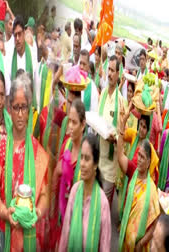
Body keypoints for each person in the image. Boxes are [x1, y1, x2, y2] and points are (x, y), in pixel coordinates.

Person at [0, 74, 49, 251]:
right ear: (10, 109)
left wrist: (37, 213)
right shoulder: (2, 148)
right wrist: (4, 213)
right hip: (5, 231)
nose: (20, 114)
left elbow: (45, 195)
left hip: (29, 235)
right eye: (16, 108)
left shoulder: (38, 152)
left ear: (29, 108)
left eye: (24, 107)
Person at [58, 133, 111, 251]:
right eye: (81, 157)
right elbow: (65, 235)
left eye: (87, 159)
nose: (82, 163)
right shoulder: (74, 191)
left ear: (95, 164)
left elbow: (105, 246)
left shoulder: (102, 204)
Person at [118, 139, 160, 251]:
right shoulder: (134, 176)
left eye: (143, 157)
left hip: (139, 248)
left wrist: (141, 243)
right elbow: (120, 157)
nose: (139, 160)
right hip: (125, 242)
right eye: (139, 155)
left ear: (148, 162)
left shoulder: (151, 190)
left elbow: (155, 224)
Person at [98, 55, 127, 206]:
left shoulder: (121, 103)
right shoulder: (102, 94)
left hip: (110, 168)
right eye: (108, 69)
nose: (109, 73)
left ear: (118, 75)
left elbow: (124, 136)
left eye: (112, 70)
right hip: (98, 161)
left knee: (103, 210)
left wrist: (114, 138)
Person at [52, 98, 86, 224]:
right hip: (62, 214)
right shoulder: (66, 145)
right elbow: (56, 175)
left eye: (74, 122)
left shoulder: (87, 155)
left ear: (83, 125)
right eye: (69, 121)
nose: (70, 127)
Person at [6, 15, 37, 94]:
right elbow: (8, 86)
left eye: (19, 34)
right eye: (15, 35)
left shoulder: (32, 53)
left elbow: (36, 82)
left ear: (24, 33)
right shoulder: (9, 56)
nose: (17, 39)